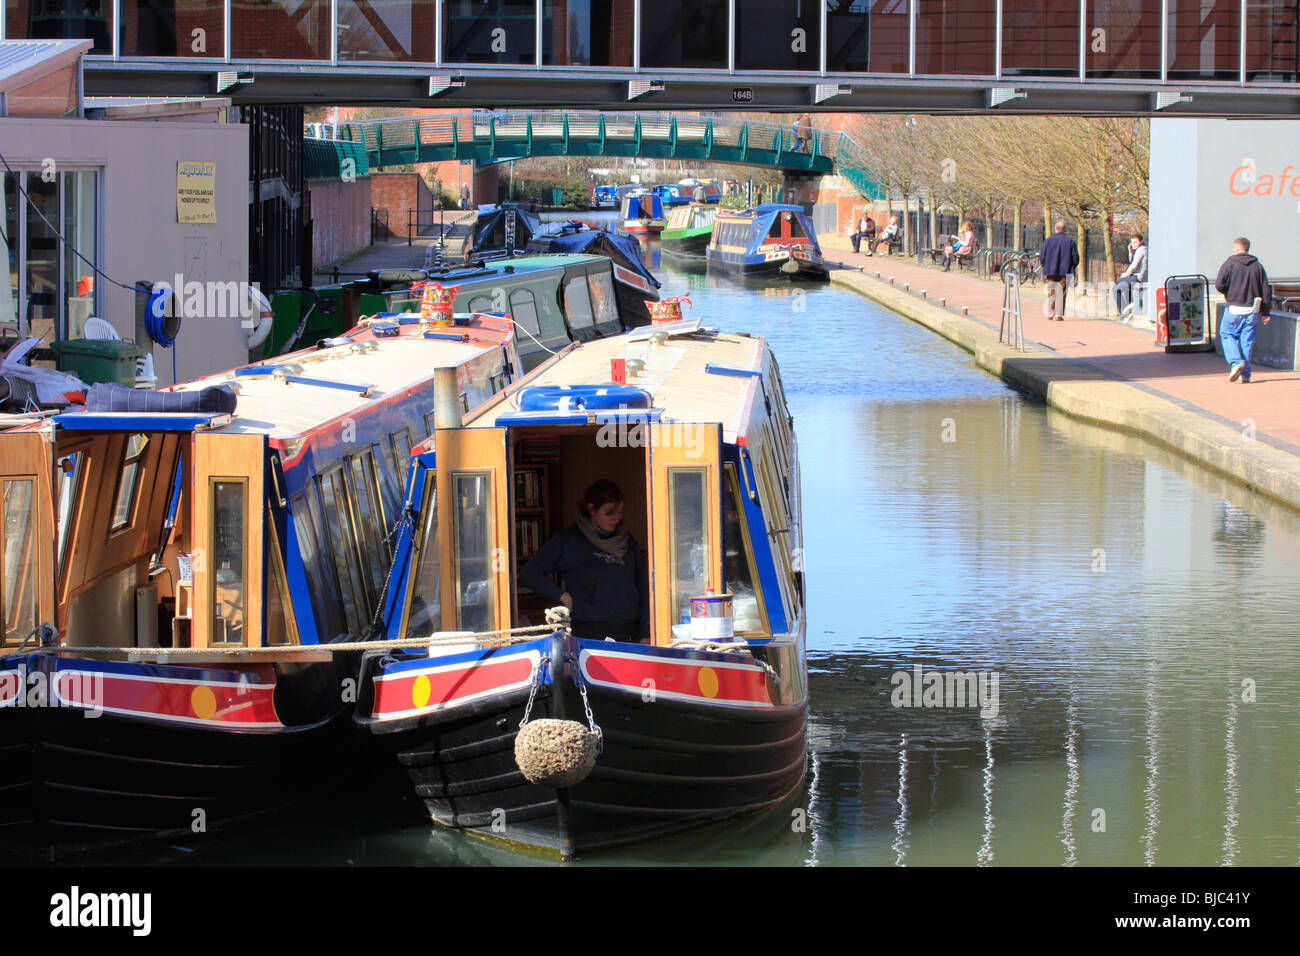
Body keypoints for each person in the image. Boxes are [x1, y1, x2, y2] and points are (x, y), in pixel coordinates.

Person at [519, 479, 649, 643]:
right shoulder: (568, 541)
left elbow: (643, 586)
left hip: (630, 632)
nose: (615, 518)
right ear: (592, 509)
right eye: (609, 512)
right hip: (588, 633)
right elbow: (529, 573)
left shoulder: (628, 541)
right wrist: (563, 596)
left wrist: (646, 633)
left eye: (620, 512)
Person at [1214, 236, 1272, 383]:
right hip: (1252, 309)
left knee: (1227, 334)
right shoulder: (1258, 266)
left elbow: (1219, 283)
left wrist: (1229, 292)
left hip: (1234, 306)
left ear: (1236, 249)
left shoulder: (1229, 264)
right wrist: (1266, 312)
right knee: (1247, 342)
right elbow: (1265, 289)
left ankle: (1235, 362)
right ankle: (1245, 375)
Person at [1039, 220, 1080, 320]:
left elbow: (1042, 255)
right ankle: (1058, 314)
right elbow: (1075, 257)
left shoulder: (1048, 240)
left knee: (1052, 291)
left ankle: (1051, 312)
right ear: (1064, 229)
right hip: (1065, 270)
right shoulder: (1070, 241)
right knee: (1062, 291)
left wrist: (1045, 265)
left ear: (1055, 228)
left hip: (1050, 269)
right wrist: (1072, 266)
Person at [1114, 233, 1147, 316]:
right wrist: (1130, 253)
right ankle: (1128, 311)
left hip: (1138, 277)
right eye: (1132, 242)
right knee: (1123, 288)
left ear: (1141, 241)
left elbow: (1134, 265)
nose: (1133, 244)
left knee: (1116, 288)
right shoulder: (1139, 250)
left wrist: (1126, 274)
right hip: (1134, 276)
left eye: (1135, 242)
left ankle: (1124, 313)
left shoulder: (1142, 249)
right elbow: (1133, 262)